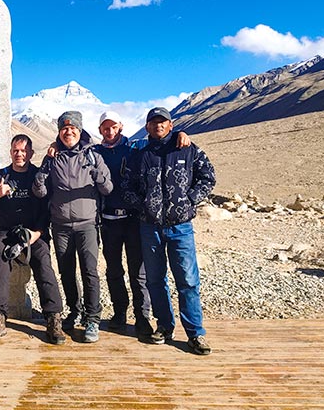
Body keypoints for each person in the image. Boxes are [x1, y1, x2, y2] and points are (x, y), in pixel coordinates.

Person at [125, 107, 216, 355]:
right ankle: (164, 326)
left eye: (162, 122)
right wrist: (142, 207)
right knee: (155, 280)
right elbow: (127, 185)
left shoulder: (186, 148)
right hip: (150, 227)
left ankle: (195, 333)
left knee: (187, 281)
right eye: (153, 122)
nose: (158, 126)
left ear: (171, 124)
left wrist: (190, 200)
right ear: (147, 127)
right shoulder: (140, 155)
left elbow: (208, 177)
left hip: (180, 227)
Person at [95, 111, 191, 340]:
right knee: (114, 270)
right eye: (105, 128)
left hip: (134, 219)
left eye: (114, 127)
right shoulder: (94, 152)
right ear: (100, 130)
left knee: (139, 271)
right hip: (108, 220)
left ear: (121, 127)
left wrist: (180, 133)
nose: (110, 132)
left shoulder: (135, 148)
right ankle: (119, 314)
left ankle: (142, 316)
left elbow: (159, 141)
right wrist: (54, 145)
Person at [33, 111, 112, 343]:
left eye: (73, 128)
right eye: (64, 128)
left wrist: (98, 176)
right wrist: (41, 177)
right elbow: (40, 193)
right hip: (60, 226)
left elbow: (108, 189)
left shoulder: (93, 155)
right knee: (66, 271)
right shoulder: (51, 157)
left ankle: (93, 318)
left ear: (80, 130)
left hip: (87, 224)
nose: (69, 132)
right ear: (59, 132)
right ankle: (74, 311)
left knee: (90, 271)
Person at [0, 134, 65, 345]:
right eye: (16, 150)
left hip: (33, 233)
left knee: (44, 262)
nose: (20, 154)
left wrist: (38, 233)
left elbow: (47, 208)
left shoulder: (39, 175)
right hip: (5, 232)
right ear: (10, 152)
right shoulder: (0, 176)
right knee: (0, 260)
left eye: (24, 151)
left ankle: (53, 317)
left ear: (31, 153)